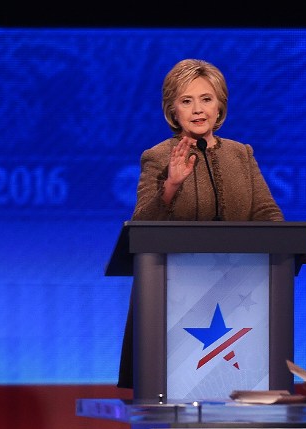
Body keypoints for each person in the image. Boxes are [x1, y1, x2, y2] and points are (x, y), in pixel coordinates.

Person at [117, 58, 284, 389]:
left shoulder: (241, 154)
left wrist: (283, 245)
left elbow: (267, 212)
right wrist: (171, 186)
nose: (198, 109)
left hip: (238, 298)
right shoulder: (158, 156)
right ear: (173, 110)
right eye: (186, 100)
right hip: (171, 298)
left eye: (206, 99)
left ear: (219, 106)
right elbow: (141, 227)